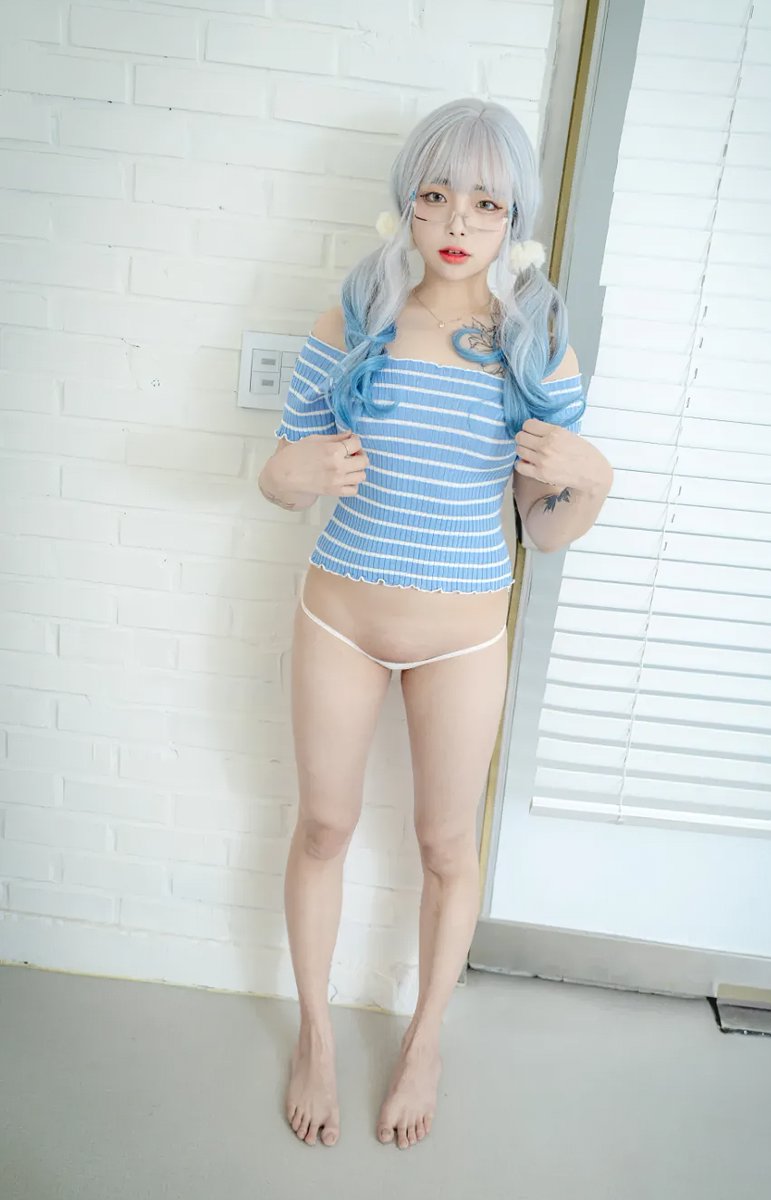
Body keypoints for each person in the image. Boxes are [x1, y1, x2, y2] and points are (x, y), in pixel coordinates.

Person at [257, 97, 613, 1151]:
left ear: (516, 218)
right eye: (437, 194)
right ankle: (316, 1034)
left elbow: (547, 531)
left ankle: (424, 1041)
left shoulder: (534, 343)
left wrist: (592, 479)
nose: (459, 220)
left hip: (465, 636)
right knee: (323, 828)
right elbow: (279, 474)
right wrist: (298, 471)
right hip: (340, 617)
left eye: (487, 203)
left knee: (447, 844)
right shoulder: (355, 318)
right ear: (407, 203)